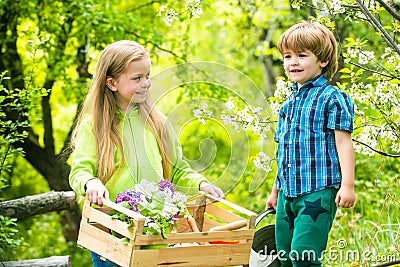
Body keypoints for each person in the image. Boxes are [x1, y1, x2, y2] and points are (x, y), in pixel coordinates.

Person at [69, 40, 224, 267]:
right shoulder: (94, 127)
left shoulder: (157, 123)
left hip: (156, 232)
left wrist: (201, 185)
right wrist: (91, 183)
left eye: (148, 76)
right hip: (113, 233)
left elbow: (178, 169)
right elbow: (79, 171)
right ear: (111, 83)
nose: (146, 84)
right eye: (137, 78)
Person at [266, 21, 355, 266]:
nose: (293, 62)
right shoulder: (287, 106)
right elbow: (283, 152)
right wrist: (275, 191)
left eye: (302, 55)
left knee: (303, 255)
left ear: (322, 61)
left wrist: (347, 185)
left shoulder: (333, 99)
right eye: (288, 56)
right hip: (287, 193)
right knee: (284, 256)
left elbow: (343, 144)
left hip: (317, 191)